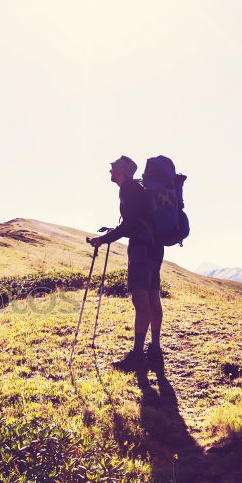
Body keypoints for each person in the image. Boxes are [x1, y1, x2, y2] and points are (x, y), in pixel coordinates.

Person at [88, 155, 163, 371]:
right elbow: (137, 220)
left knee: (141, 301)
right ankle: (155, 349)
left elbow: (130, 224)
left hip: (140, 248)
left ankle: (138, 354)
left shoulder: (128, 188)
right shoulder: (141, 189)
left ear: (121, 171)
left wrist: (104, 239)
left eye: (112, 169)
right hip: (156, 247)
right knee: (153, 297)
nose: (110, 172)